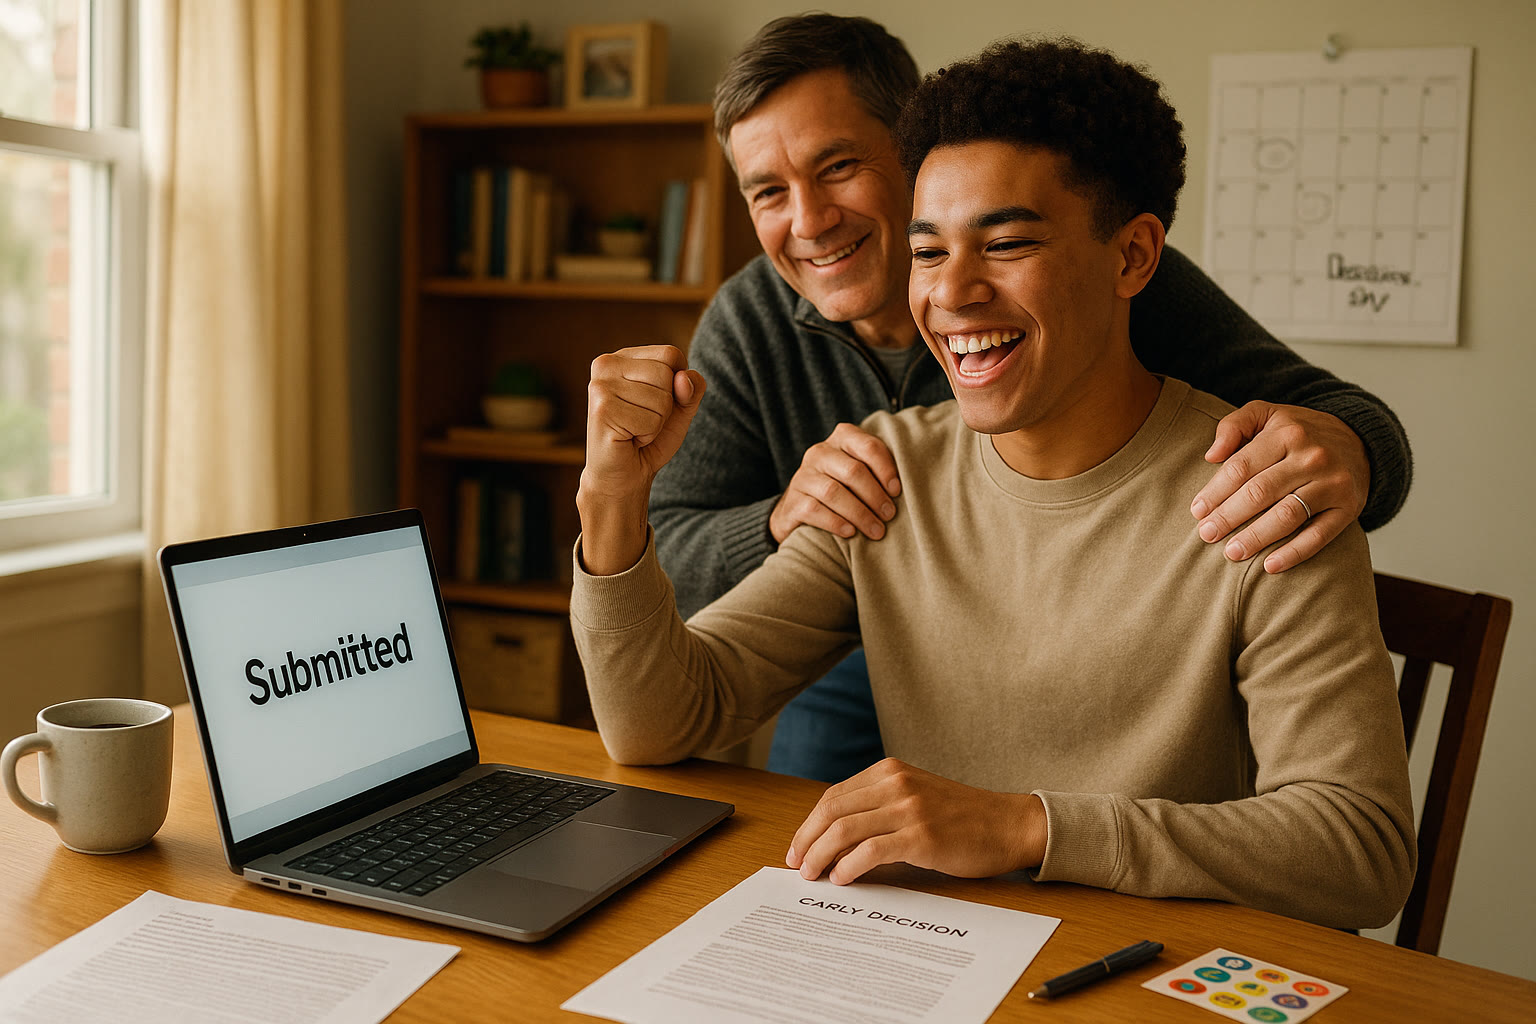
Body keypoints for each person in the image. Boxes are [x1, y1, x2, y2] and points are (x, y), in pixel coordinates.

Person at [571, 36, 1414, 929]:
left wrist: (1027, 828)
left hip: (1157, 959)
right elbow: (657, 724)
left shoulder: (1266, 491)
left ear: (1133, 260)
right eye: (928, 255)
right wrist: (611, 501)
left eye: (1006, 242)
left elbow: (1360, 851)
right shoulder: (884, 465)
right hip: (941, 938)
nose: (954, 291)